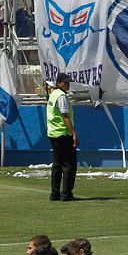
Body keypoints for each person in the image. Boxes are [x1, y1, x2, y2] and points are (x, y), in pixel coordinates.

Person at [46, 72, 78, 201]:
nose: (68, 84)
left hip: (53, 133)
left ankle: (54, 193)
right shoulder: (61, 96)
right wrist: (74, 133)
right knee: (69, 165)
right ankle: (66, 193)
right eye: (66, 82)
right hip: (63, 133)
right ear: (59, 83)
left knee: (57, 164)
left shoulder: (53, 94)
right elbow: (65, 116)